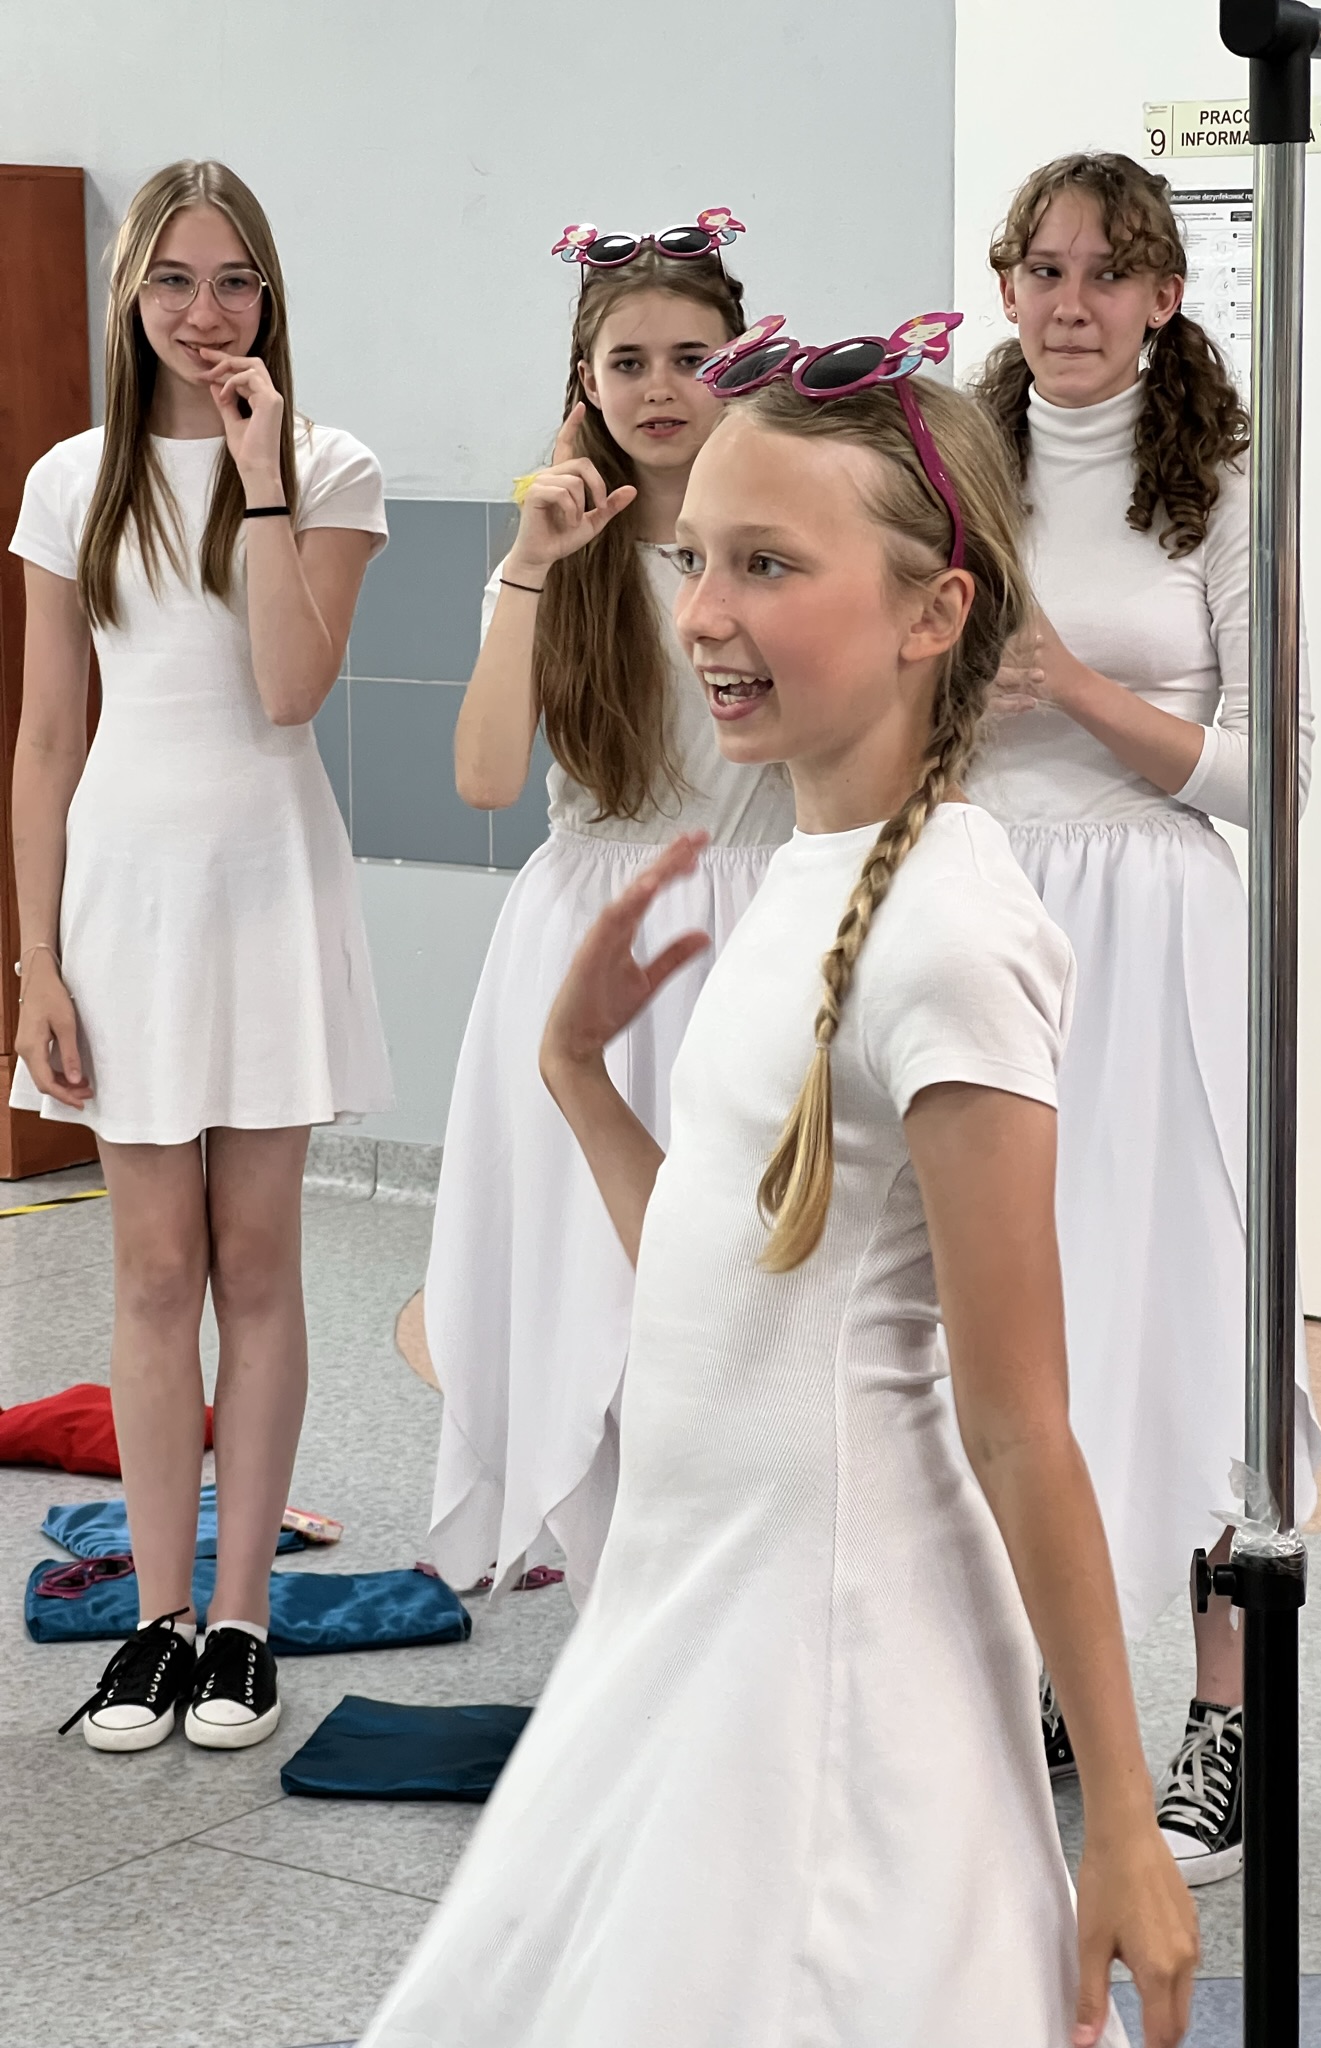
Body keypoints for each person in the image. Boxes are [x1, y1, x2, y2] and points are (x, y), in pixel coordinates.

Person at [360, 315, 1198, 2048]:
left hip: (834, 1672)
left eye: (767, 565)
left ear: (932, 613)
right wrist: (581, 1084)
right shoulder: (810, 867)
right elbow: (731, 1279)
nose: (701, 617)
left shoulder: (950, 935)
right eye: (696, 560)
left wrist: (1121, 1820)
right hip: (698, 1616)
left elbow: (1022, 1427)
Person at [970, 150, 1321, 1883]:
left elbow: (1278, 778)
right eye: (1043, 269)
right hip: (989, 920)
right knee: (1012, 1321)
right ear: (1006, 285)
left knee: (1181, 1315)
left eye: (1108, 272)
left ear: (1167, 296)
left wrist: (1076, 688)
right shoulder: (959, 467)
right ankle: (1052, 1673)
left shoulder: (1227, 485)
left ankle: (1221, 1720)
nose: (1073, 303)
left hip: (1162, 929)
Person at [11, 158, 391, 1752]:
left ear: (270, 296)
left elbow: (292, 690)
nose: (204, 310)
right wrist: (35, 960)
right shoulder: (70, 479)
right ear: (131, 294)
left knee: (259, 1264)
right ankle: (154, 1625)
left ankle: (242, 1625)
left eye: (235, 280)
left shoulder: (330, 464)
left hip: (269, 890)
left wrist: (264, 476)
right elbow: (46, 734)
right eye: (174, 278)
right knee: (154, 1271)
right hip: (127, 901)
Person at [422, 213, 793, 1605]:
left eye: (692, 357)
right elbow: (481, 779)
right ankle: (616, 1596)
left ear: (742, 368)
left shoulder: (780, 550)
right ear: (585, 383)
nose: (659, 388)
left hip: (747, 934)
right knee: (592, 1288)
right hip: (586, 942)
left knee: (735, 1291)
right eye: (626, 361)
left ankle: (728, 1587)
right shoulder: (553, 566)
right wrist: (532, 564)